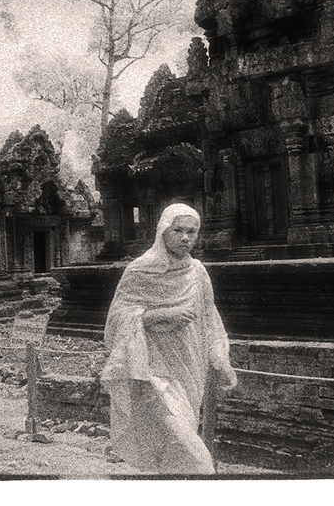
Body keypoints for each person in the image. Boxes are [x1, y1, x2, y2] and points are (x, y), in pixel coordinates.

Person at [100, 203, 238, 475]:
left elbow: (210, 320)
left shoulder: (198, 272)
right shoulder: (140, 270)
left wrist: (221, 360)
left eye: (192, 231)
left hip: (189, 369)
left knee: (177, 444)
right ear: (163, 231)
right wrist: (161, 315)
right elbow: (116, 320)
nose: (186, 238)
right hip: (152, 373)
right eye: (178, 230)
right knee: (197, 459)